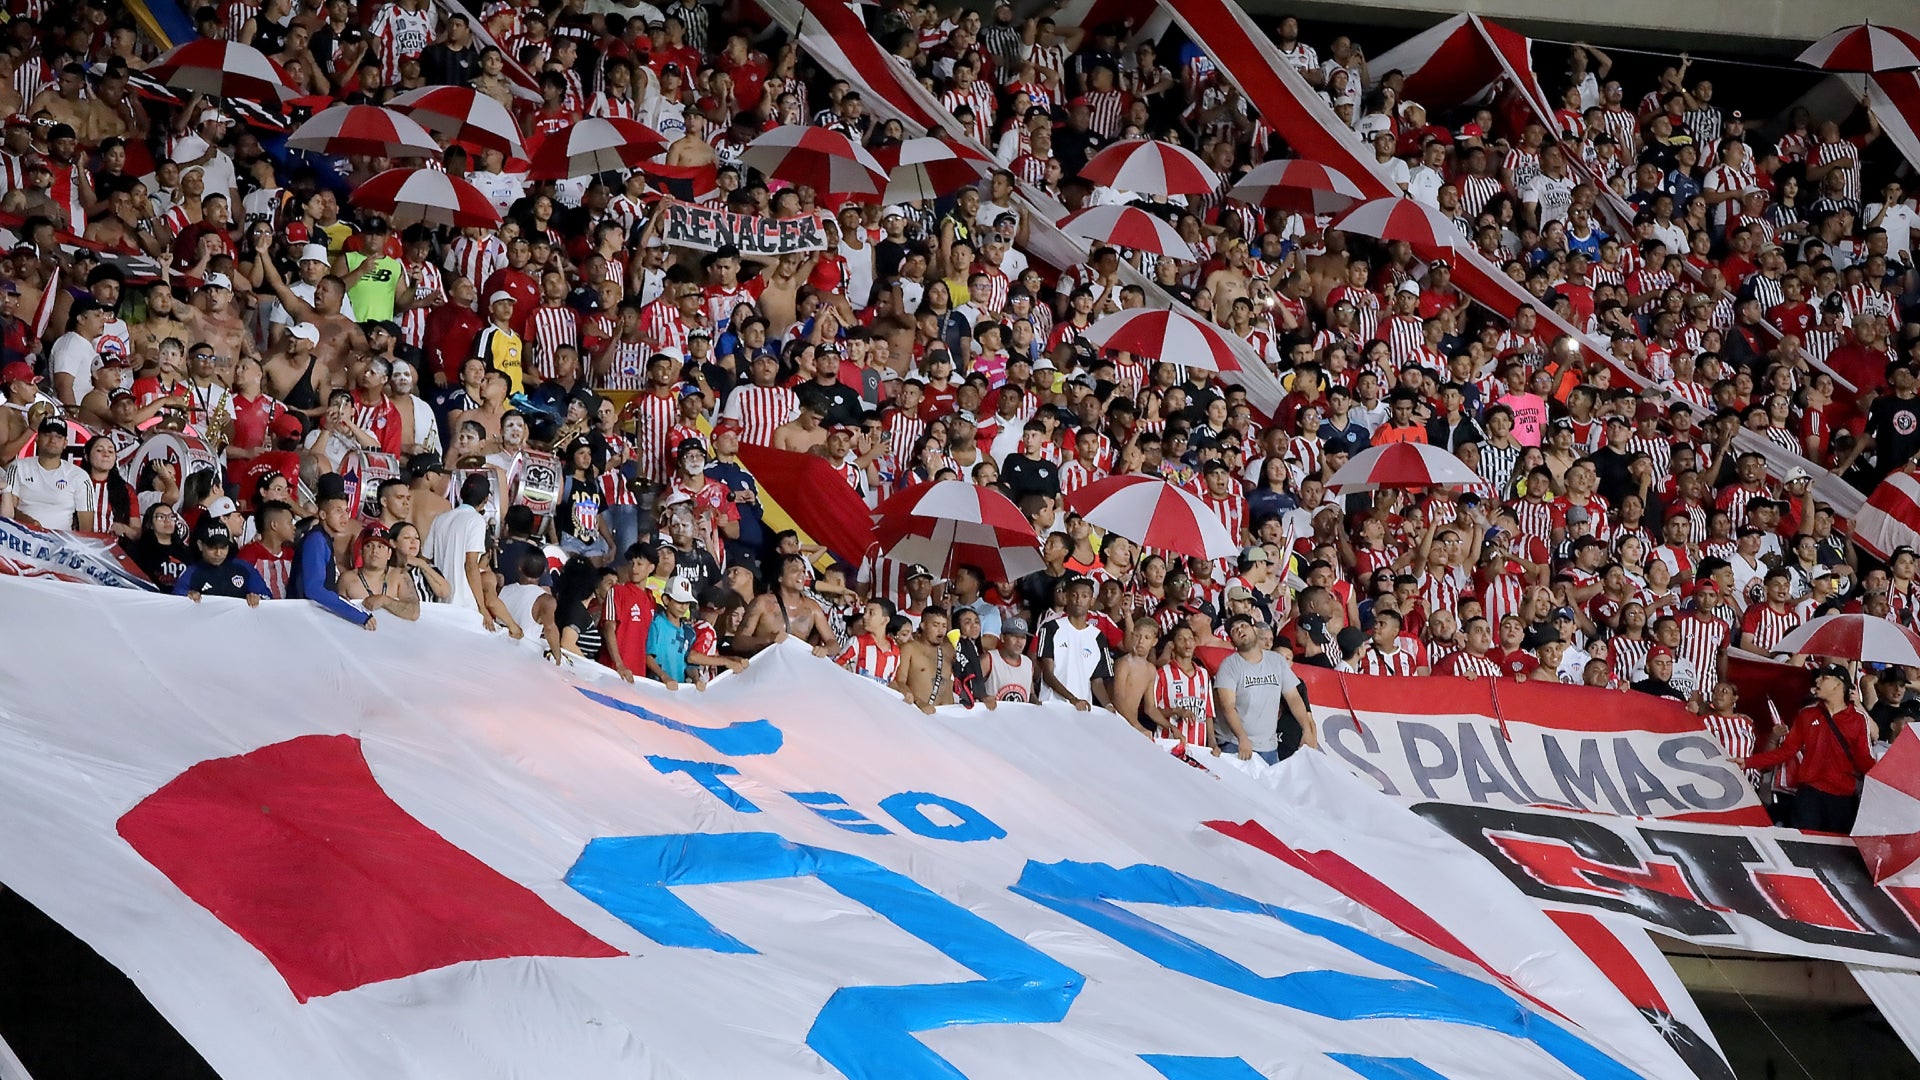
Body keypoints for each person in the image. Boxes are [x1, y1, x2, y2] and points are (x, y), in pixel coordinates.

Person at [1746, 666, 1878, 832]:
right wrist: (1747, 762)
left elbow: (1864, 759)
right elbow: (1787, 751)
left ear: (1839, 685)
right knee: (1801, 848)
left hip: (1843, 800)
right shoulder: (1806, 715)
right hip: (1809, 795)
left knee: (1837, 853)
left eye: (1824, 678)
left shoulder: (1858, 720)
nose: (1817, 681)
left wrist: (1885, 780)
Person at [1214, 614, 1316, 763]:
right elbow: (1227, 707)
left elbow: (1293, 697)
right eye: (1234, 630)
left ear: (1255, 630)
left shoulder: (1277, 661)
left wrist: (1306, 729)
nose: (1240, 631)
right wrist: (1242, 738)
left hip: (1269, 746)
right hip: (1235, 744)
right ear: (1233, 640)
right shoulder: (1228, 666)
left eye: (1243, 626)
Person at [292, 492, 375, 629]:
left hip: (310, 619)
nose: (345, 517)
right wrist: (358, 615)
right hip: (304, 621)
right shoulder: (316, 540)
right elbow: (313, 589)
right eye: (338, 511)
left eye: (346, 510)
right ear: (323, 515)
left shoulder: (324, 539)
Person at [425, 471, 495, 627]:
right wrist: (482, 607)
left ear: (461, 494)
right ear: (485, 500)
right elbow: (471, 565)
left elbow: (425, 558)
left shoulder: (441, 519)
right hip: (464, 606)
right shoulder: (476, 521)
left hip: (440, 602)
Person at [1, 418, 92, 529]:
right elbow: (7, 509)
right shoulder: (18, 467)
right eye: (47, 435)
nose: (52, 440)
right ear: (37, 439)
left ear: (65, 443)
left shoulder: (79, 476)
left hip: (61, 543)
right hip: (21, 539)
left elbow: (86, 529)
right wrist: (25, 520)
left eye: (59, 437)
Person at [1036, 576, 1109, 710]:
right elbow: (1047, 674)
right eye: (1074, 595)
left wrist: (1108, 705)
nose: (1078, 600)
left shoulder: (1098, 637)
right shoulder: (1051, 628)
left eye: (1084, 596)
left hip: (1082, 709)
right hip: (1052, 705)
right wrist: (1072, 699)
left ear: (1092, 601)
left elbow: (1097, 681)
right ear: (1067, 598)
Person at [174, 519, 271, 605]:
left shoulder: (243, 569)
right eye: (212, 547)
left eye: (223, 547)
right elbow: (174, 601)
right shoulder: (191, 573)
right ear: (200, 545)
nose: (218, 553)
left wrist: (257, 599)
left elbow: (267, 598)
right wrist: (186, 597)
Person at [600, 543, 657, 683]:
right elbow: (608, 628)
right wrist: (619, 664)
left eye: (639, 563)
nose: (634, 568)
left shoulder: (651, 600)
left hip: (638, 676)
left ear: (651, 567)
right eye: (631, 563)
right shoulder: (617, 592)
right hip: (614, 672)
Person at [894, 606, 956, 714]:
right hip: (921, 713)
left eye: (944, 626)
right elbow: (900, 682)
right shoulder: (909, 648)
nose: (940, 630)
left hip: (948, 714)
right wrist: (919, 702)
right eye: (935, 625)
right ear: (923, 625)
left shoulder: (949, 650)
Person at [647, 579, 698, 689]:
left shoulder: (689, 632)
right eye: (679, 601)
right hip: (656, 688)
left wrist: (696, 679)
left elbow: (689, 663)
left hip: (679, 689)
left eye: (687, 603)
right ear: (666, 600)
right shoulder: (656, 623)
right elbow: (648, 656)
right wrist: (664, 676)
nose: (683, 607)